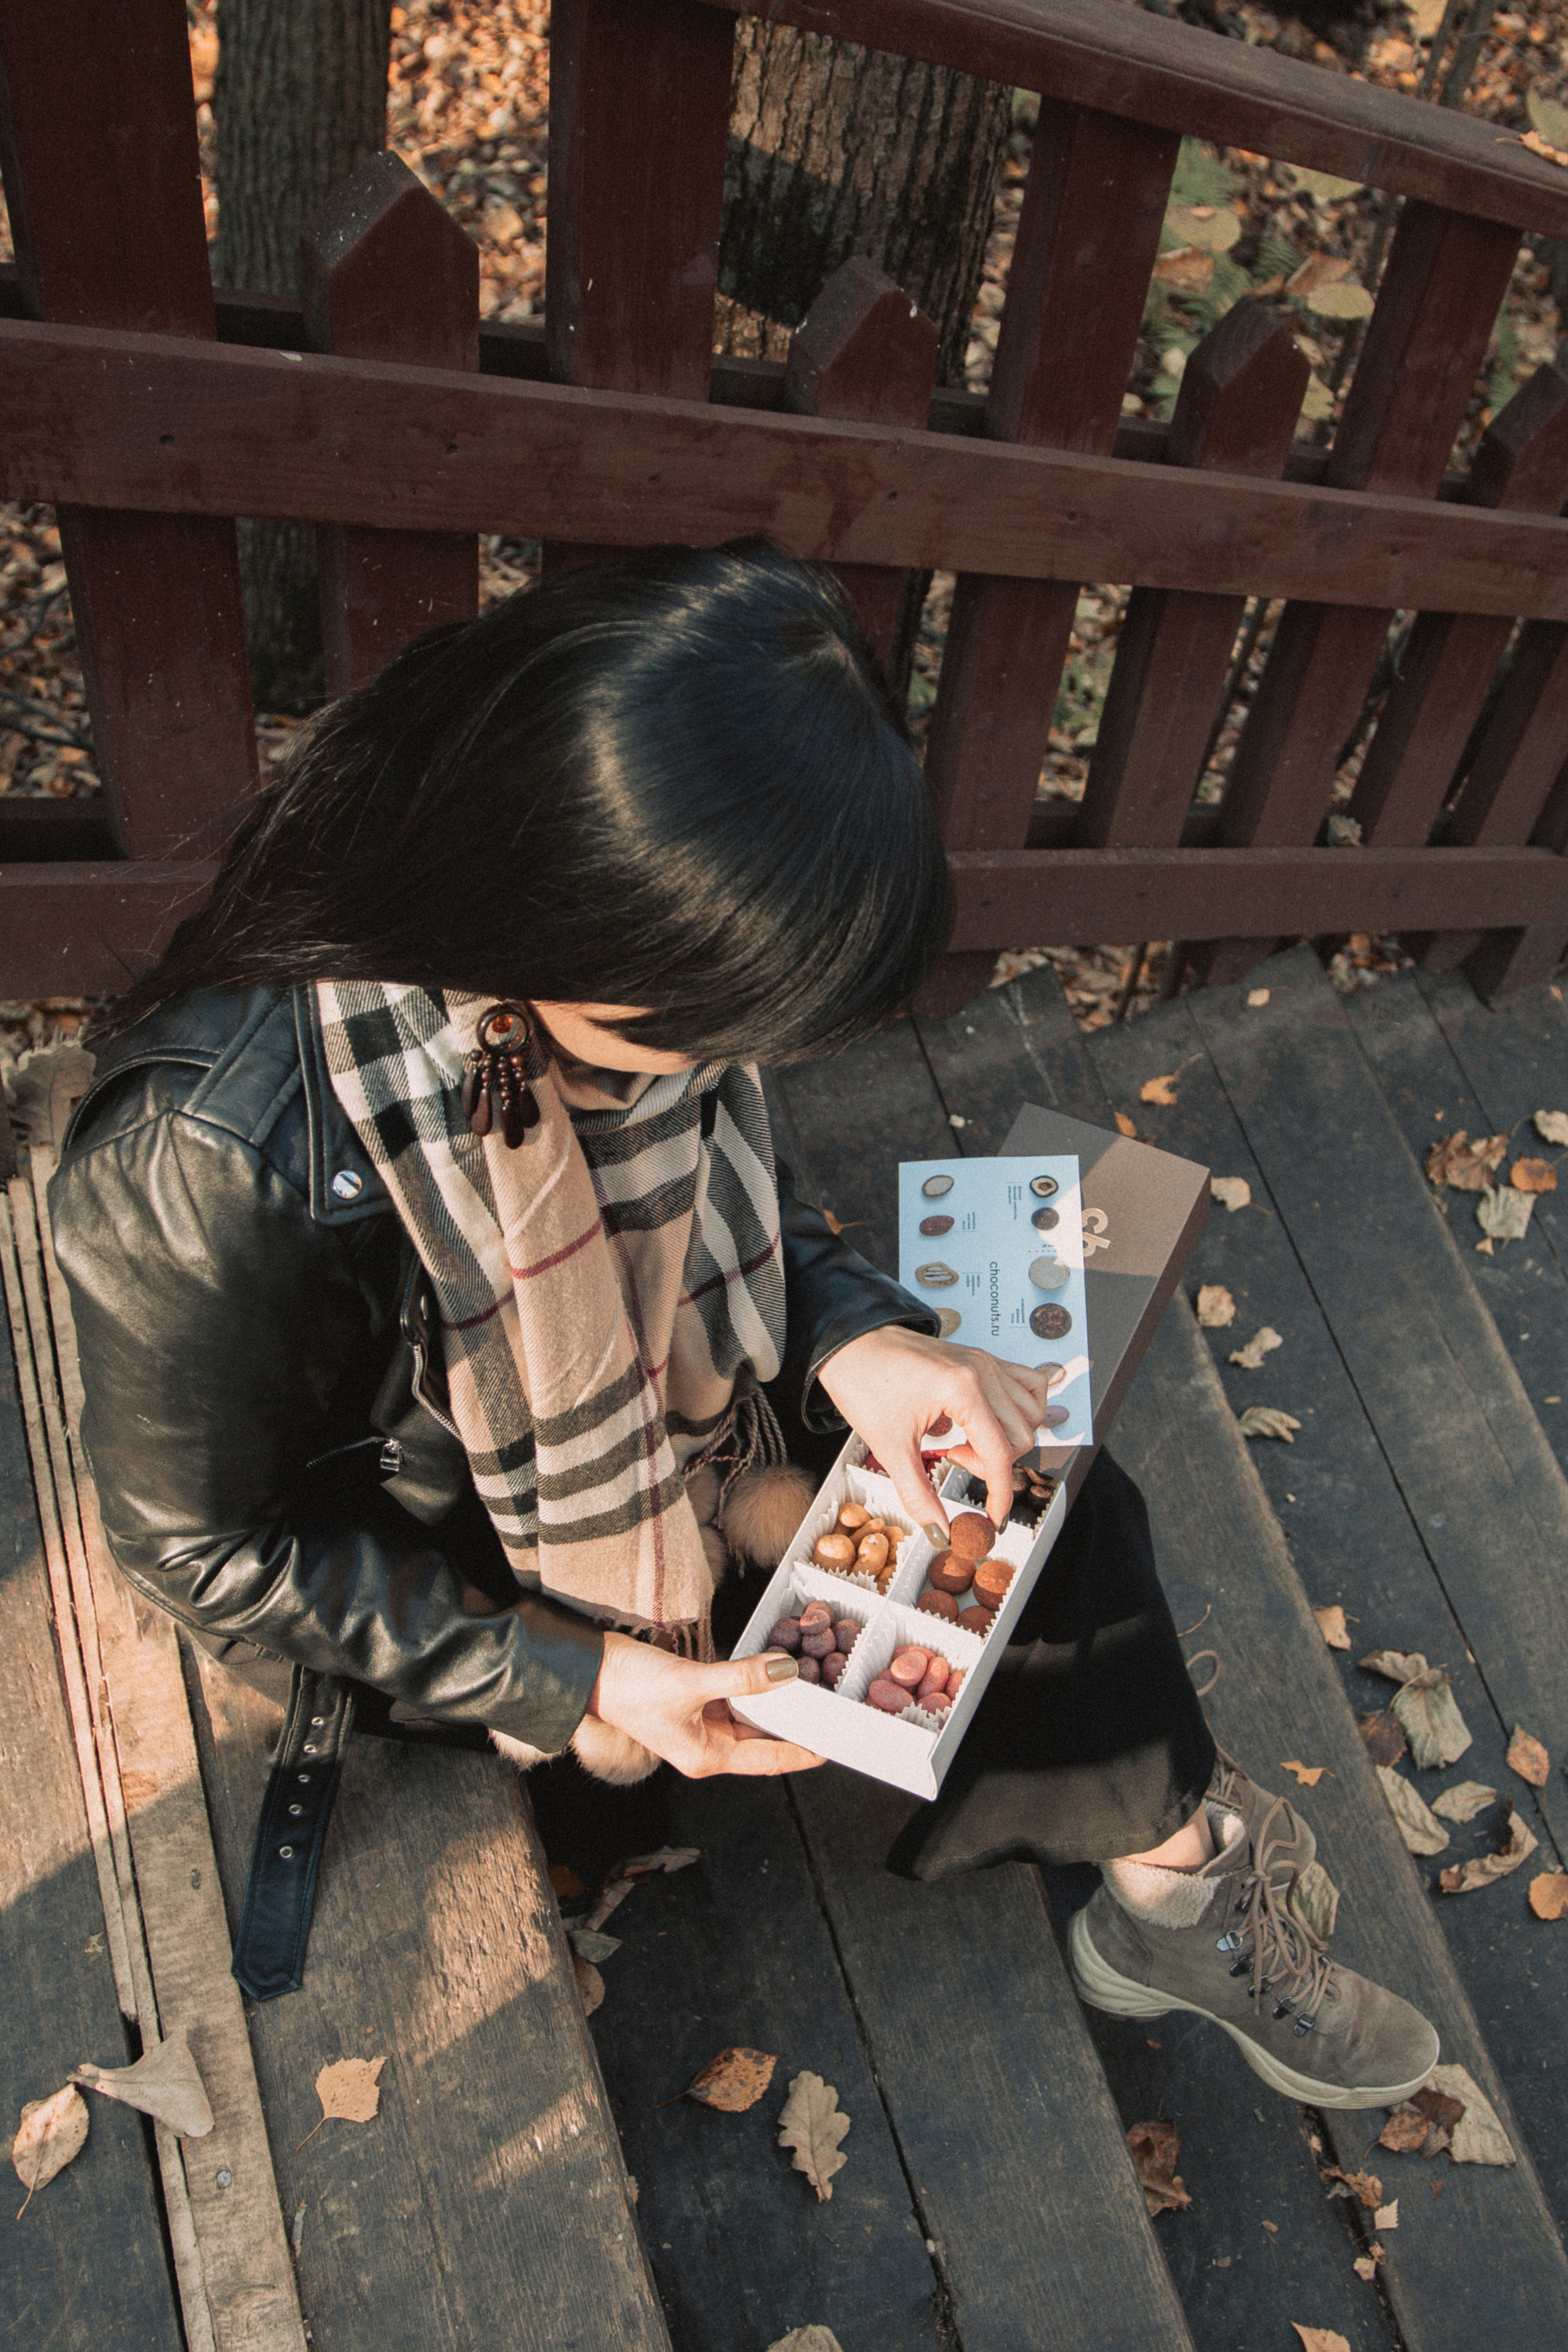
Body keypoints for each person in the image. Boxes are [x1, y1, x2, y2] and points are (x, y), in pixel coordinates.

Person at [48, 543, 1436, 2103]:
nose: (710, 1069)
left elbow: (737, 1195)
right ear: (548, 915)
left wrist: (859, 1335)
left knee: (1023, 1492)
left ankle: (1168, 1880)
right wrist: (584, 1677)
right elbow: (202, 1548)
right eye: (687, 1037)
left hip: (668, 1413)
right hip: (460, 1563)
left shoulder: (575, 967)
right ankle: (1161, 1841)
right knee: (984, 1552)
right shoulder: (208, 1158)